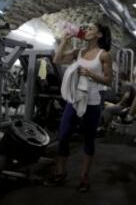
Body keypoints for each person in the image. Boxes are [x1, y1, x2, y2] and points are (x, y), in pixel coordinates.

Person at [44, 22, 112, 192]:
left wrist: (91, 74)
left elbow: (108, 80)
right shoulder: (78, 52)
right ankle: (60, 173)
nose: (86, 31)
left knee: (88, 139)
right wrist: (65, 40)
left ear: (99, 35)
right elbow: (56, 59)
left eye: (90, 29)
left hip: (92, 102)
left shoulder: (104, 55)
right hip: (74, 100)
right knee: (64, 135)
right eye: (86, 28)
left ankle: (84, 178)